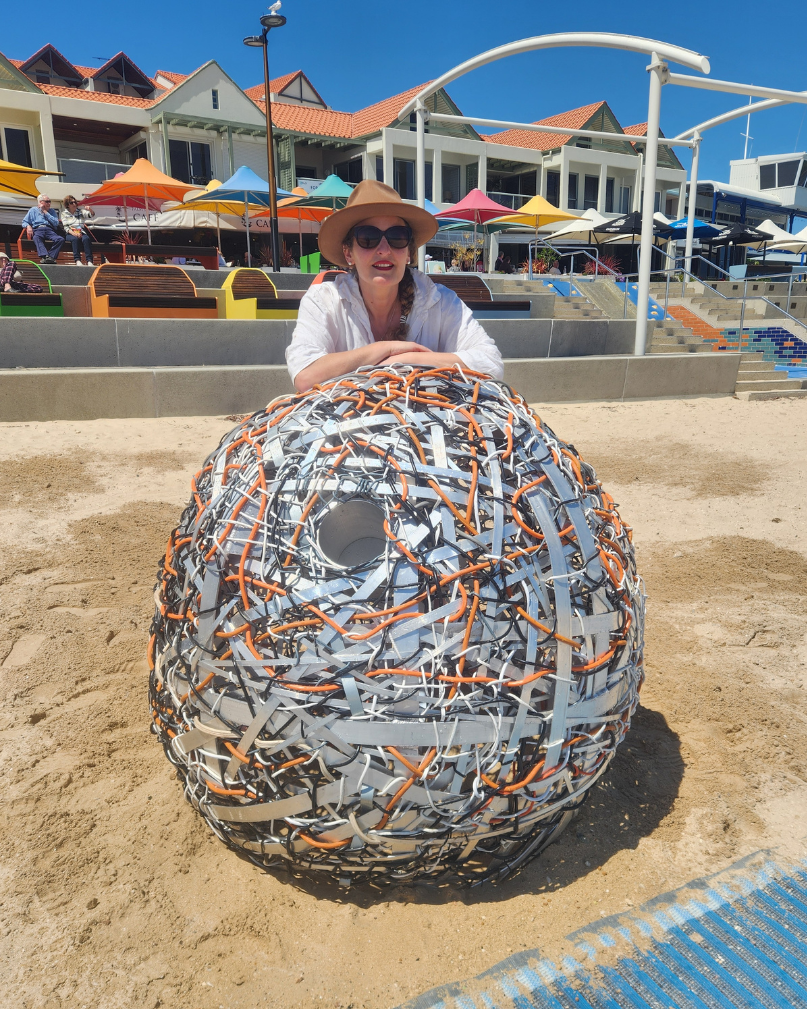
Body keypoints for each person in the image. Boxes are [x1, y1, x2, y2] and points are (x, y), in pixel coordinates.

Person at [285, 180, 503, 393]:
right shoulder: (324, 300)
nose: (384, 249)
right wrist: (384, 349)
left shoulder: (440, 300)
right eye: (368, 238)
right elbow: (304, 376)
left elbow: (491, 363)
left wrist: (408, 359)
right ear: (348, 252)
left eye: (397, 237)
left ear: (408, 252)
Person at [21, 194, 65, 264]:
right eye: (47, 201)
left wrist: (45, 212)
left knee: (60, 239)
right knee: (36, 237)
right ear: (41, 202)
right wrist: (28, 226)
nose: (49, 203)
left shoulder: (52, 211)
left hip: (49, 230)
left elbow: (56, 223)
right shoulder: (33, 210)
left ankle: (50, 257)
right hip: (38, 229)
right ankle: (44, 256)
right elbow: (24, 221)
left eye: (49, 201)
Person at [60, 195, 95, 265]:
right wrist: (74, 234)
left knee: (86, 239)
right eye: (71, 203)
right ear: (67, 205)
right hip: (70, 233)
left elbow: (92, 215)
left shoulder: (81, 212)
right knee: (74, 239)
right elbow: (66, 227)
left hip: (81, 231)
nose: (74, 204)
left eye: (75, 202)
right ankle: (77, 260)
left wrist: (89, 209)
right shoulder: (64, 214)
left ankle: (89, 261)